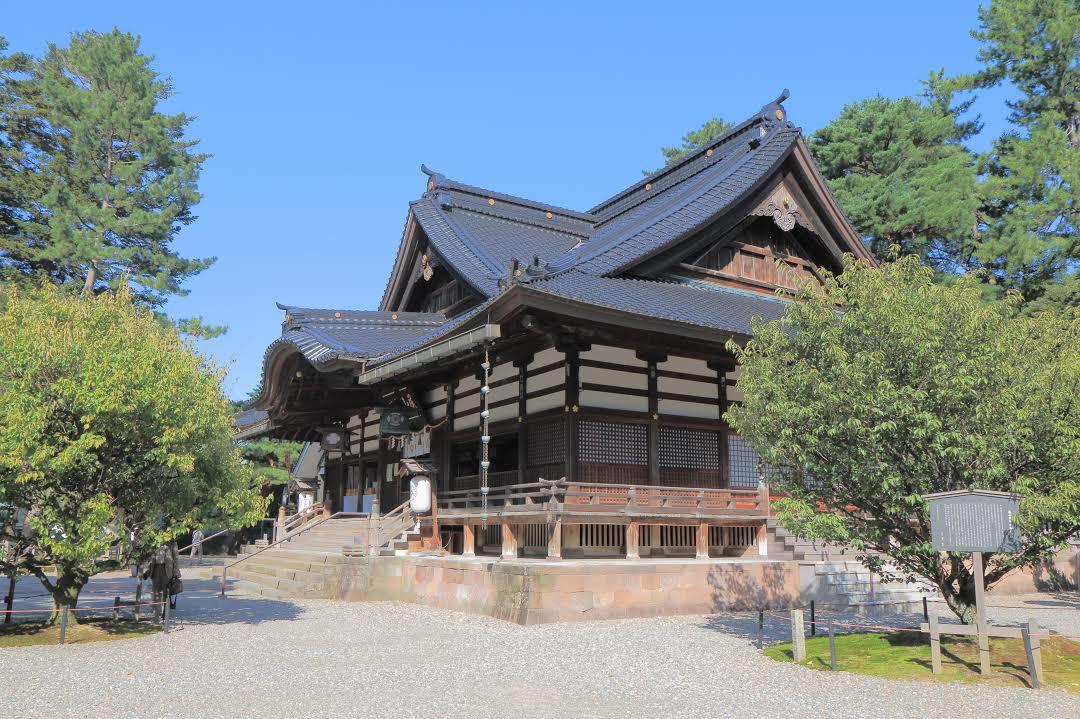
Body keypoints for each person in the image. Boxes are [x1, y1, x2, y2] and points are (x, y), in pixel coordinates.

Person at [143, 542, 180, 617]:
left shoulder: (172, 542)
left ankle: (165, 612)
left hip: (166, 569)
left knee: (165, 591)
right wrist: (147, 570)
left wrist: (176, 570)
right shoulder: (155, 538)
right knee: (156, 590)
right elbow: (149, 556)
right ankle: (156, 610)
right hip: (155, 568)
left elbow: (176, 557)